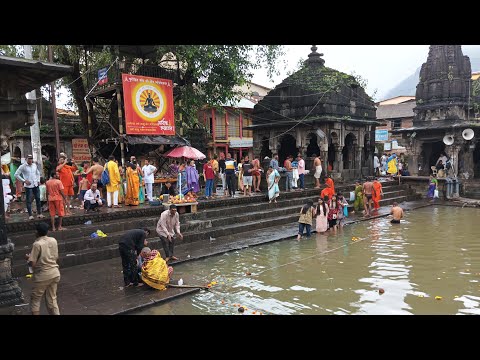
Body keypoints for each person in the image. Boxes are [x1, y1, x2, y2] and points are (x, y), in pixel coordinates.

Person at [26, 222, 61, 315]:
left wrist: (28, 259)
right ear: (47, 231)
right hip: (55, 272)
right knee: (52, 299)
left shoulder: (37, 244)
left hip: (43, 275)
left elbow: (32, 263)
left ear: (37, 232)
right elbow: (55, 257)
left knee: (36, 299)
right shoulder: (53, 240)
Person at [14, 154, 44, 220]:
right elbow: (16, 174)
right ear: (26, 159)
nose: (30, 160)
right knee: (29, 200)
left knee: (38, 199)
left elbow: (38, 173)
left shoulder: (34, 165)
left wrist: (38, 180)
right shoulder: (23, 166)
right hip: (28, 186)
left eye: (31, 159)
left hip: (35, 184)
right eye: (29, 159)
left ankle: (39, 213)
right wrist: (24, 181)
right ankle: (30, 215)